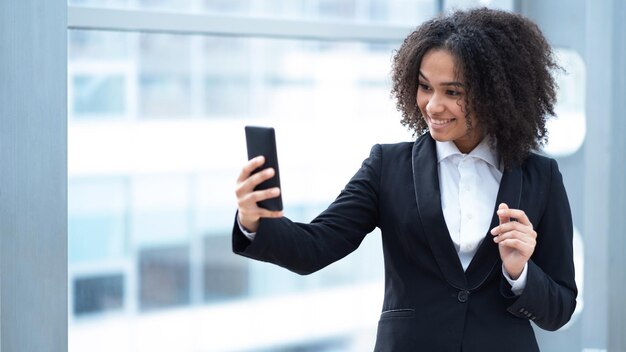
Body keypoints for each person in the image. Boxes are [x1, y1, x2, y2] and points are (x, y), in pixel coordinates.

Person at [232, 7, 577, 352]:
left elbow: (558, 309)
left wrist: (520, 272)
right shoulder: (388, 166)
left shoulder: (539, 177)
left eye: (453, 92)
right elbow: (314, 247)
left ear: (497, 94)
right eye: (425, 87)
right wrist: (253, 222)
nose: (433, 106)